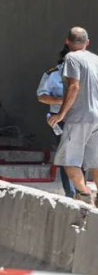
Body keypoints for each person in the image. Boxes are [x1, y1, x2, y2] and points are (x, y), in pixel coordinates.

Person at [48, 27, 98, 205]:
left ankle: (84, 195)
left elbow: (74, 86)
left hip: (79, 117)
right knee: (95, 161)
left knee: (69, 160)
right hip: (97, 117)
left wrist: (61, 113)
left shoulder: (72, 58)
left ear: (67, 41)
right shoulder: (95, 59)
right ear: (87, 42)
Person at [36, 46, 76, 198]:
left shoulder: (86, 73)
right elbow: (41, 96)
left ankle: (81, 190)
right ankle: (70, 192)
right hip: (61, 119)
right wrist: (62, 101)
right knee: (67, 156)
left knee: (83, 157)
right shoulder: (53, 74)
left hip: (81, 119)